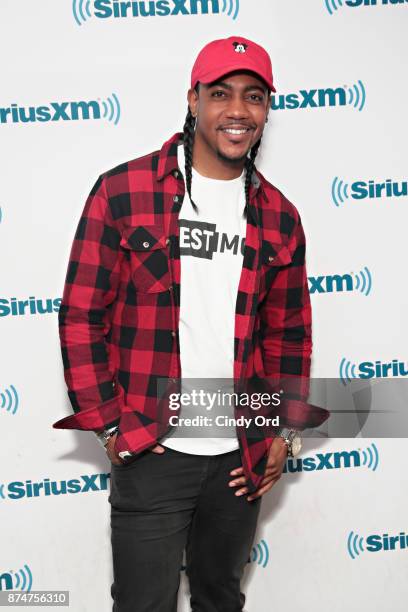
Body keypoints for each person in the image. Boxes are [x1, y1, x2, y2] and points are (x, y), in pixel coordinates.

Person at [53, 35, 329, 612]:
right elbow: (81, 316)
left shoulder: (279, 216)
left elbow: (289, 336)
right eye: (221, 94)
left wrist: (283, 432)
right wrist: (110, 427)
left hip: (240, 457)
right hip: (154, 450)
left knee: (219, 599)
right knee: (142, 604)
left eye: (254, 97)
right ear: (194, 99)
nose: (237, 111)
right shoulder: (123, 191)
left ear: (266, 111)